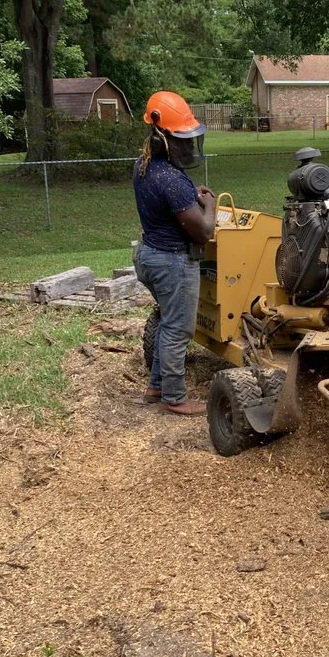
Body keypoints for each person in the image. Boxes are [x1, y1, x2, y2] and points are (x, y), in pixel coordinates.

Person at [133, 91, 216, 416]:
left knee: (168, 321)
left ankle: (156, 387)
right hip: (173, 262)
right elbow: (204, 231)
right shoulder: (170, 179)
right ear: (164, 137)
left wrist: (187, 195)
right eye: (181, 139)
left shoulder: (144, 164)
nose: (187, 146)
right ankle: (175, 397)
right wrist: (208, 205)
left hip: (148, 255)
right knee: (178, 328)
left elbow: (165, 199)